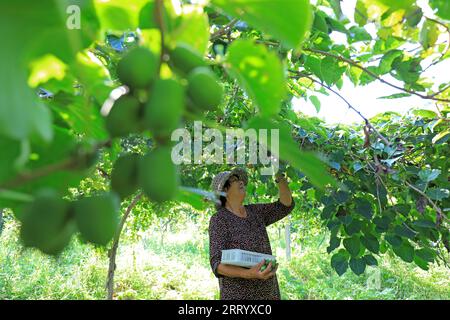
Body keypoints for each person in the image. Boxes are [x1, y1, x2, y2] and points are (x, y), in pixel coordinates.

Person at [209, 167, 295, 300]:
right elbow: (217, 264)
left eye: (240, 179)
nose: (241, 181)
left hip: (268, 293)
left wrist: (278, 174)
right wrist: (249, 274)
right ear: (224, 190)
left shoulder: (255, 212)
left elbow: (285, 205)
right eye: (234, 179)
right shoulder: (219, 219)